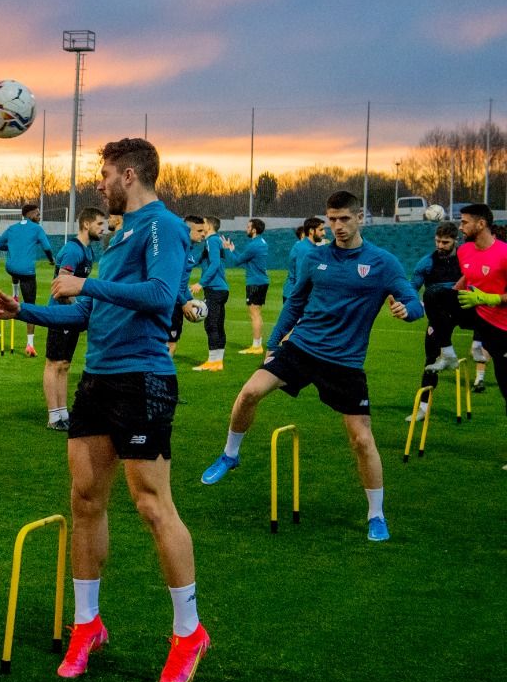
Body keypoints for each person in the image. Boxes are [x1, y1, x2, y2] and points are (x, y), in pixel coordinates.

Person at [0, 138, 208, 682]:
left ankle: (188, 632)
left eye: (105, 174)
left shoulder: (162, 226)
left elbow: (161, 295)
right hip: (99, 379)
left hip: (143, 378)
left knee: (152, 505)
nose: (100, 183)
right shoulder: (118, 236)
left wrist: (87, 281)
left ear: (129, 174)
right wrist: (27, 311)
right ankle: (88, 624)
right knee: (84, 499)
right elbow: (89, 309)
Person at [200, 191, 423, 542]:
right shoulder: (315, 258)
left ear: (359, 217)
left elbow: (413, 300)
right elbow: (296, 303)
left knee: (362, 440)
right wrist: (273, 346)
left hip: (345, 363)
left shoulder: (382, 262)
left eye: (344, 219)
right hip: (301, 347)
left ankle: (376, 514)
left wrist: (406, 310)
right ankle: (230, 455)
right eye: (332, 220)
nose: (338, 226)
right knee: (248, 393)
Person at [39, 208, 106, 431]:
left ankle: (63, 413)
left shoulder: (89, 252)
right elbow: (61, 285)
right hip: (61, 314)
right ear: (86, 225)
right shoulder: (72, 250)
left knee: (65, 365)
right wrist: (75, 311)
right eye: (99, 224)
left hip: (72, 316)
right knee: (54, 363)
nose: (102, 229)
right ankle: (53, 416)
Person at [455, 207, 507, 430]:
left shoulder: (504, 253)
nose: (460, 226)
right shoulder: (464, 251)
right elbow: (467, 278)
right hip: (478, 318)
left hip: (502, 327)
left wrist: (490, 298)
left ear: (481, 224)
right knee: (436, 295)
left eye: (465, 222)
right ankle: (445, 352)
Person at [407, 222, 462, 422]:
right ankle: (422, 408)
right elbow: (412, 286)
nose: (440, 245)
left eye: (445, 242)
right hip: (438, 316)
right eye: (437, 241)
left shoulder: (465, 259)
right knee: (431, 359)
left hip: (462, 310)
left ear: (456, 240)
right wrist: (412, 303)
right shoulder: (427, 262)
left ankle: (479, 345)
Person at [0, 203, 56, 357]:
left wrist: (12, 248)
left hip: (11, 268)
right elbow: (47, 247)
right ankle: (30, 345)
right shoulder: (37, 229)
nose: (40, 217)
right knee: (30, 307)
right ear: (30, 214)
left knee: (15, 268)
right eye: (38, 214)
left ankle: (15, 292)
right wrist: (51, 260)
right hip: (26, 272)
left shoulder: (12, 228)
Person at [190, 215, 231, 371]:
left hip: (214, 288)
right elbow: (199, 260)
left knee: (211, 324)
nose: (202, 225)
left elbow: (215, 264)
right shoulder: (213, 241)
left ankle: (212, 361)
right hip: (220, 288)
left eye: (204, 223)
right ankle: (217, 362)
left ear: (210, 226)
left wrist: (201, 283)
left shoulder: (212, 240)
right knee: (218, 324)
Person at [226, 219, 269, 355]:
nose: (246, 229)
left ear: (254, 230)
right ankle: (258, 343)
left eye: (248, 227)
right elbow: (246, 260)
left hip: (255, 282)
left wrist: (229, 250)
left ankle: (256, 346)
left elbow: (237, 261)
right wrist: (234, 250)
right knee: (257, 313)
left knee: (254, 314)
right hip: (261, 281)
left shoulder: (253, 245)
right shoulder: (261, 242)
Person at [168, 215, 207, 355]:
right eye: (199, 230)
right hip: (170, 304)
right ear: (187, 230)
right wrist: (184, 302)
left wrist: (189, 300)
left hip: (176, 303)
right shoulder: (178, 250)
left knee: (171, 344)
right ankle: (158, 376)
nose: (203, 234)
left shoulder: (188, 249)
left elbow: (182, 283)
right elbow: (171, 281)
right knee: (168, 345)